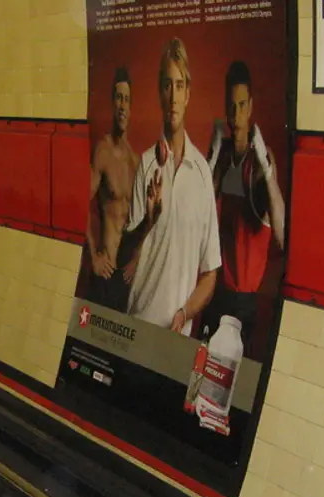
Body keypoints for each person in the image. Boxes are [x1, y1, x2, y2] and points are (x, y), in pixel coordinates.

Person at [122, 38, 219, 335]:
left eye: (179, 86)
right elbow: (125, 259)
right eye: (167, 86)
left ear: (188, 94)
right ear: (160, 94)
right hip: (136, 328)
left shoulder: (202, 174)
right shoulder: (146, 166)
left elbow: (210, 273)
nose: (174, 97)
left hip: (175, 341)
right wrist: (148, 222)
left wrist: (184, 313)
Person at [206, 60, 286, 351]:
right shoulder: (223, 156)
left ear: (251, 107)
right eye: (232, 105)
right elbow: (197, 212)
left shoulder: (260, 162)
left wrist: (267, 172)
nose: (236, 114)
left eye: (242, 105)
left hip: (244, 299)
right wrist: (209, 161)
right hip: (216, 289)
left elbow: (280, 234)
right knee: (201, 372)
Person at [86, 67, 140, 312]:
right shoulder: (103, 152)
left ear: (131, 108)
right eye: (118, 97)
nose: (122, 105)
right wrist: (93, 256)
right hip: (104, 273)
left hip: (125, 280)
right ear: (112, 103)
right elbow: (79, 203)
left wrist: (138, 259)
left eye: (127, 100)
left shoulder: (135, 161)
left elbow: (145, 222)